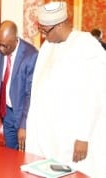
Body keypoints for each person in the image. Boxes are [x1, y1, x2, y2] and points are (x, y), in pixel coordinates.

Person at [25, 1, 106, 177]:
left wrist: (83, 137)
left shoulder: (87, 46)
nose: (44, 36)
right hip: (51, 136)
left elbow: (96, 95)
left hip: (75, 138)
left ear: (61, 25)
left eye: (46, 31)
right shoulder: (48, 47)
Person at [0, 20, 38, 150]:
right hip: (7, 111)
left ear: (15, 40)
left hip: (21, 114)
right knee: (9, 155)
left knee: (23, 155)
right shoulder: (0, 49)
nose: (1, 49)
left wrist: (23, 125)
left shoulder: (31, 56)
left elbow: (30, 94)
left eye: (5, 46)